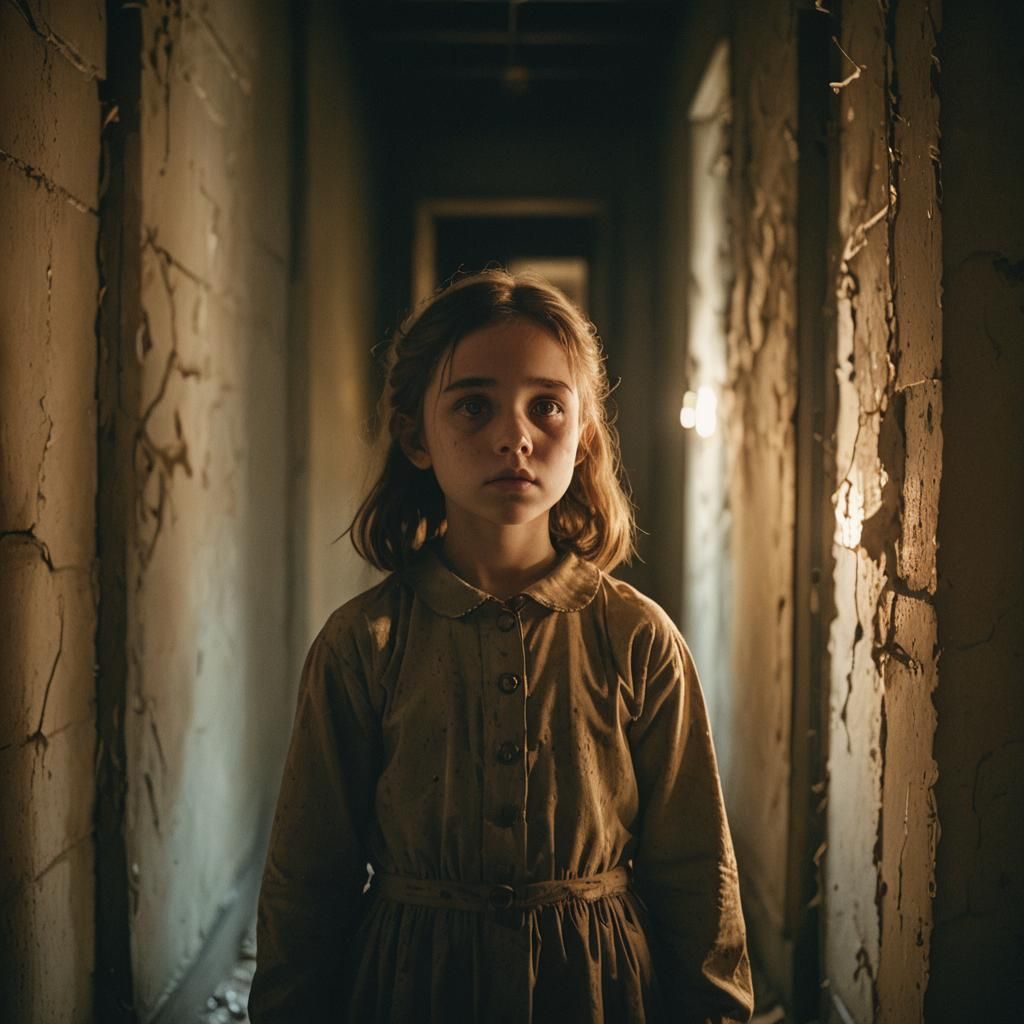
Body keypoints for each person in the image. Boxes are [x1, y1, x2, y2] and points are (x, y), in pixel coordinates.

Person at [248, 270, 753, 1023]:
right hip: (411, 987)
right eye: (474, 405)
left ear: (582, 438)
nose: (514, 435)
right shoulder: (364, 645)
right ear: (418, 435)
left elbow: (695, 874)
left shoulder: (638, 639)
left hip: (598, 993)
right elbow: (307, 880)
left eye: (546, 405)